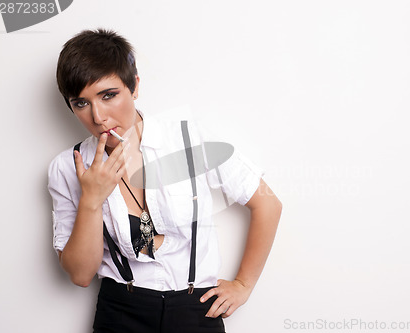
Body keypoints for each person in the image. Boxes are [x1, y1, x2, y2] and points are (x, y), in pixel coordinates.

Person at [47, 28, 282, 333]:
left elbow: (267, 203)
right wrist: (91, 199)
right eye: (81, 103)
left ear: (134, 86)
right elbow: (80, 275)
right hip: (121, 311)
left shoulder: (188, 139)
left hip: (196, 309)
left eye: (109, 95)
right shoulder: (67, 166)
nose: (99, 116)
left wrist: (243, 284)